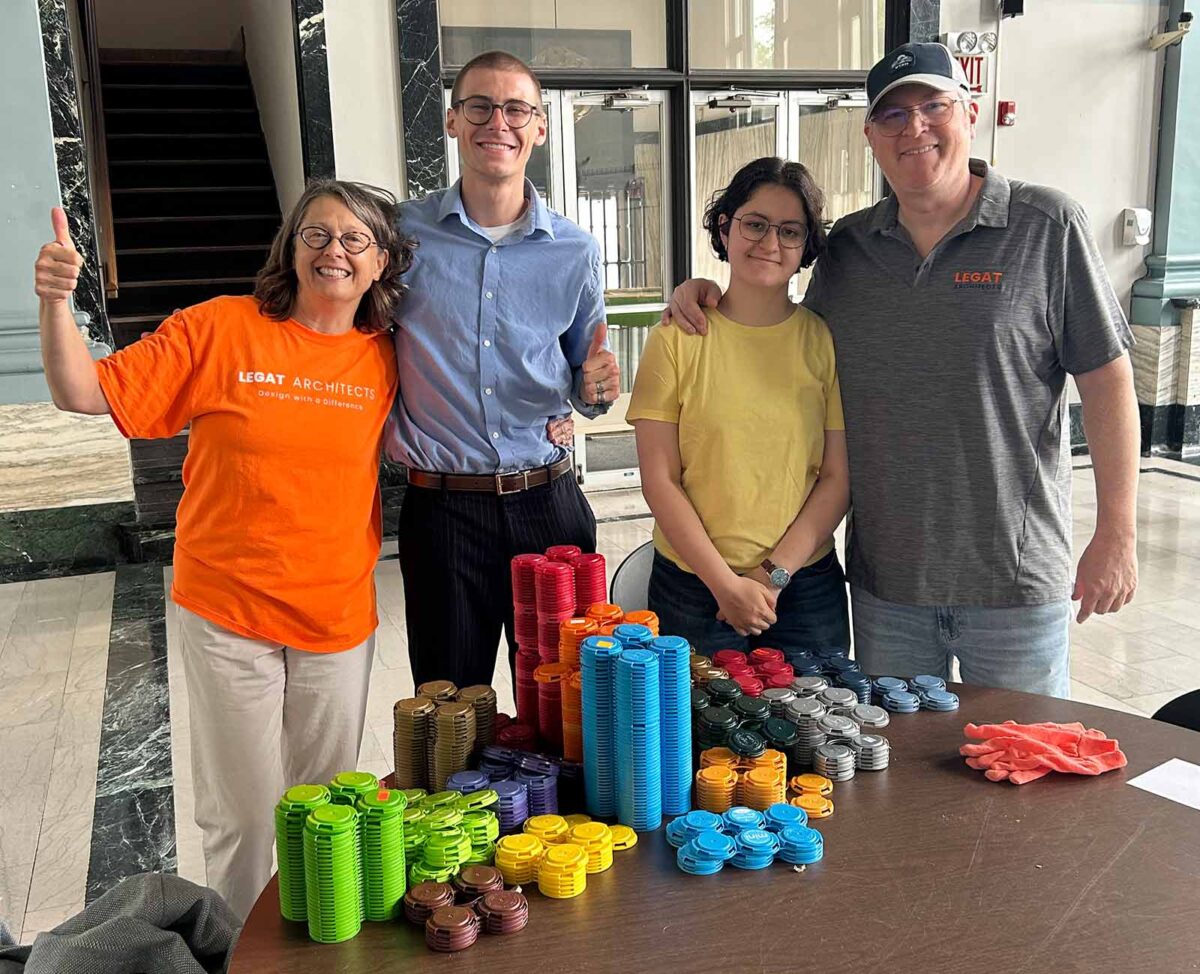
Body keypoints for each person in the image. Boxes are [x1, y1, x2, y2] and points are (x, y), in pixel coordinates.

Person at [664, 43, 1140, 697]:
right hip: (888, 589)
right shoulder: (852, 249)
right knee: (896, 780)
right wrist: (702, 293)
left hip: (1013, 583)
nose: (913, 129)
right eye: (892, 116)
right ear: (870, 137)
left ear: (968, 114)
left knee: (1023, 778)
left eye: (932, 107)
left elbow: (1108, 379)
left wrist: (1116, 531)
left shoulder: (1046, 226)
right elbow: (780, 327)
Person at [33, 180, 413, 919]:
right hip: (229, 613)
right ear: (291, 247)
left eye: (354, 240)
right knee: (240, 819)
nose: (334, 250)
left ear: (380, 264)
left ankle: (314, 946)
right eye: (317, 235)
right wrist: (55, 303)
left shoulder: (389, 356)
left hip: (335, 617)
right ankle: (236, 950)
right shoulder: (219, 329)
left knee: (325, 812)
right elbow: (82, 391)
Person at [387, 50, 619, 689]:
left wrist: (594, 390)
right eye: (481, 107)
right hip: (442, 513)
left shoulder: (574, 249)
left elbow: (583, 374)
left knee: (566, 710)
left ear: (540, 128)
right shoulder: (401, 237)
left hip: (548, 504)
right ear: (453, 121)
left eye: (517, 108)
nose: (500, 122)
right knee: (450, 713)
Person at [627, 157, 850, 655]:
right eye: (755, 224)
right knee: (699, 734)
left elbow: (836, 478)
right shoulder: (677, 337)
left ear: (806, 246)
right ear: (725, 228)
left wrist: (771, 577)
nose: (770, 244)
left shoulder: (821, 340)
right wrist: (725, 585)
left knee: (820, 731)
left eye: (790, 231)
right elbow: (659, 478)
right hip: (693, 586)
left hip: (805, 588)